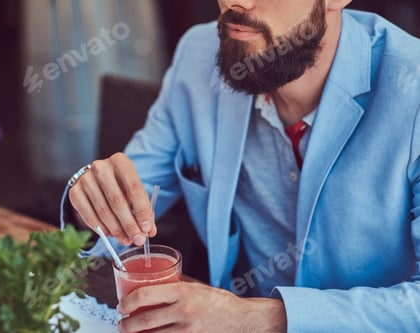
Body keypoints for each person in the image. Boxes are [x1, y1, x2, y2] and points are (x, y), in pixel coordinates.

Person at [63, 0, 420, 331]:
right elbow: (127, 195)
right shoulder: (198, 56)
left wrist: (263, 318)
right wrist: (92, 205)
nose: (236, 2)